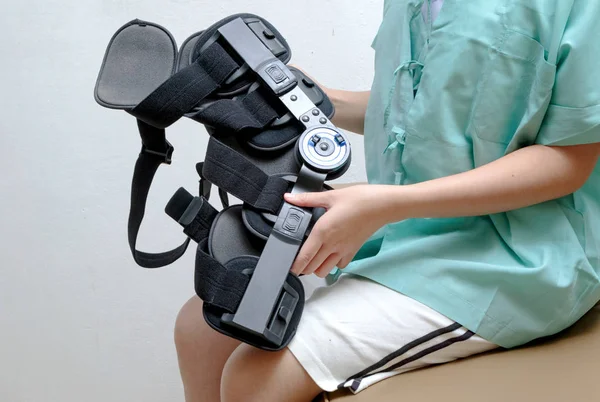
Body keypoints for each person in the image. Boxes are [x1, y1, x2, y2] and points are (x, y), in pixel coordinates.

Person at [174, 1, 600, 401]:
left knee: (254, 380)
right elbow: (414, 111)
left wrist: (389, 205)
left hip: (515, 255)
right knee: (198, 330)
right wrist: (313, 96)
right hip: (404, 231)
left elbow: (569, 160)